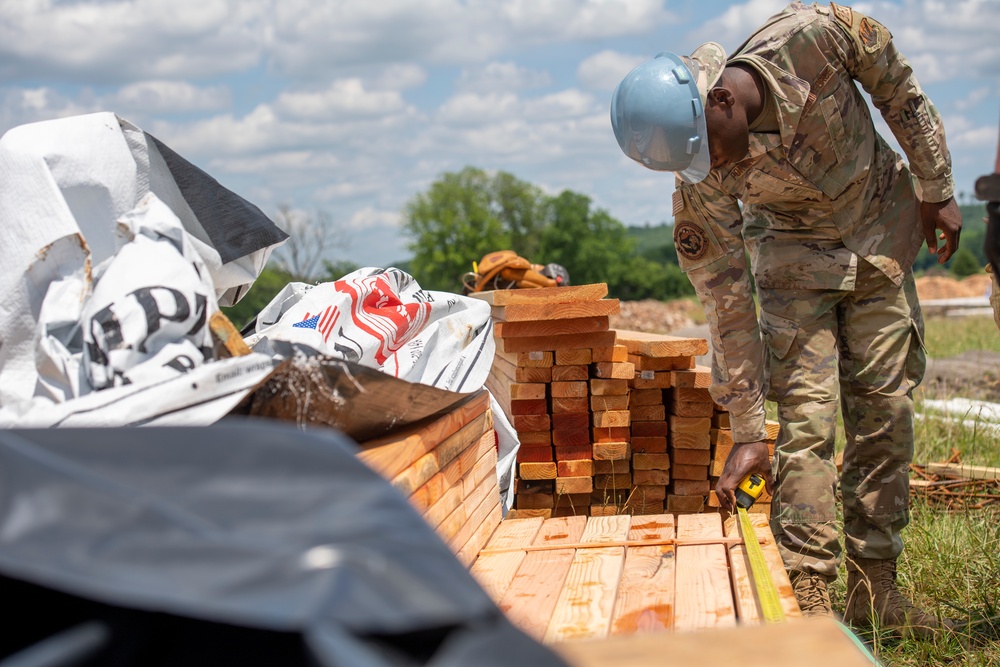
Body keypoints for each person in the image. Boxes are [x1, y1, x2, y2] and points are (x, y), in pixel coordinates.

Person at [611, 2, 961, 634]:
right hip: (795, 269)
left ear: (721, 101)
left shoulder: (817, 37)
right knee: (806, 423)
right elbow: (725, 297)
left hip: (881, 235)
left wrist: (937, 189)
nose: (712, 169)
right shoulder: (701, 176)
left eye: (709, 152)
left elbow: (898, 91)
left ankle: (876, 589)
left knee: (886, 413)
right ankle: (812, 596)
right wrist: (747, 426)